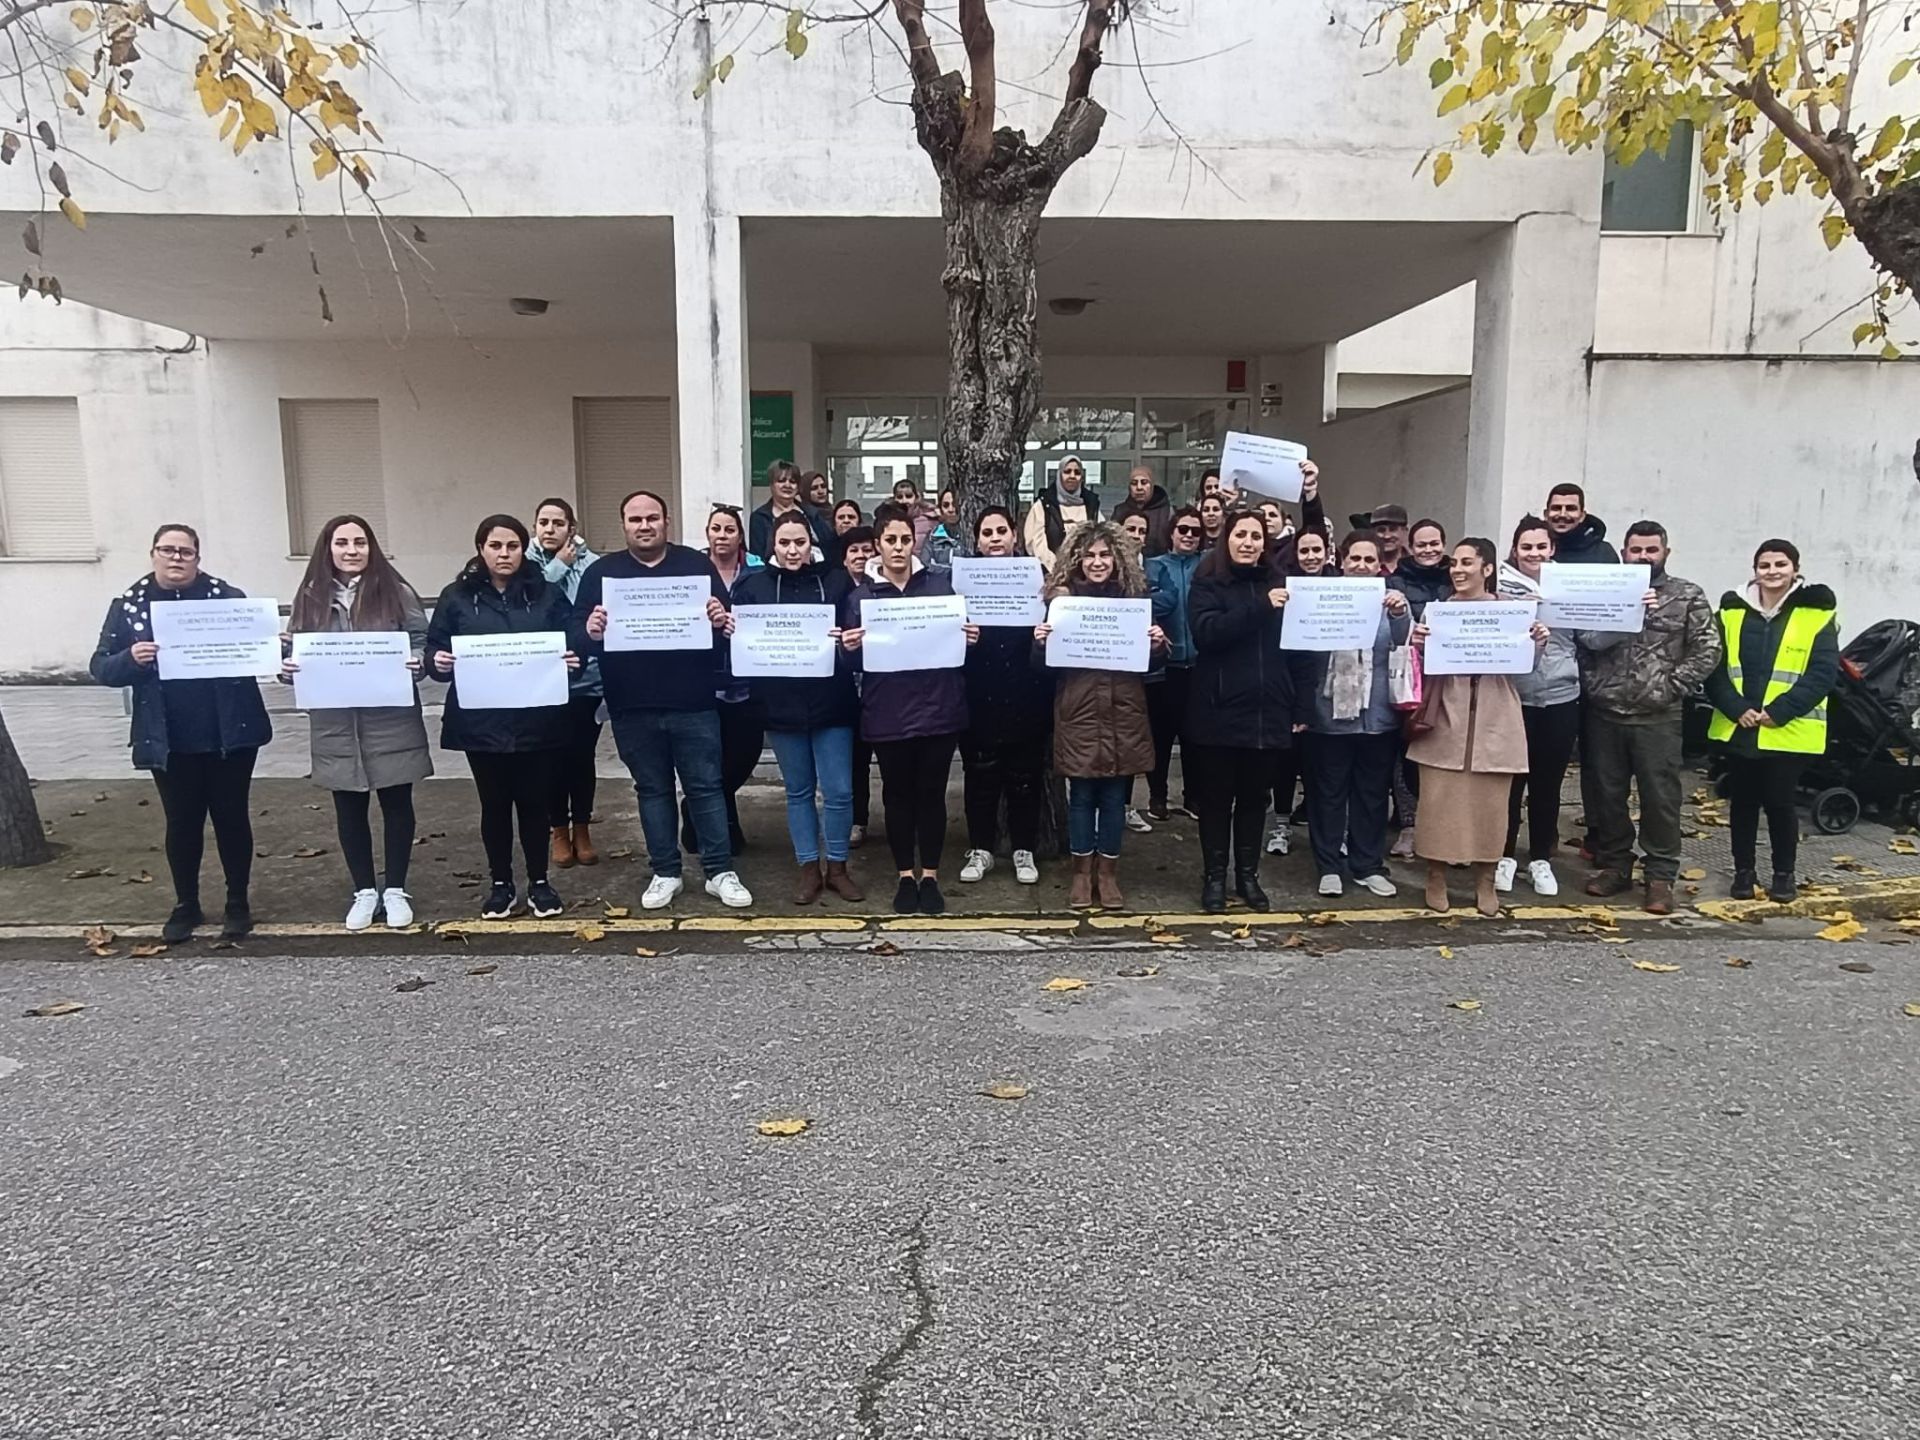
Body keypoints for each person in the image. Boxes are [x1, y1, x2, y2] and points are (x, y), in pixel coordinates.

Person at [89, 524, 272, 944]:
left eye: (185, 552)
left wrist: (273, 647)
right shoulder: (129, 607)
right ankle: (185, 904)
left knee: (231, 817)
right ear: (153, 554)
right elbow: (100, 666)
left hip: (231, 731)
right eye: (167, 550)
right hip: (169, 735)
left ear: (197, 558)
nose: (176, 558)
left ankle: (237, 903)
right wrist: (130, 659)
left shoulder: (229, 599)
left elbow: (258, 650)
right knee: (182, 822)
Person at [575, 490, 754, 912]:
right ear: (624, 524)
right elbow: (577, 635)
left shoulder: (695, 566)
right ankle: (666, 871)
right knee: (652, 789)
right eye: (635, 519)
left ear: (666, 521)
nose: (644, 525)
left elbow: (723, 625)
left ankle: (719, 871)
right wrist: (591, 629)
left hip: (692, 700)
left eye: (652, 517)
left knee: (706, 788)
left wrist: (716, 618)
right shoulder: (603, 573)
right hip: (631, 703)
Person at [282, 514, 432, 931]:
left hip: (390, 718)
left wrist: (416, 663)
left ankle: (397, 888)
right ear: (327, 549)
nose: (352, 551)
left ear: (372, 547)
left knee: (397, 804)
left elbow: (420, 640)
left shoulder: (396, 592)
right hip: (335, 722)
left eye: (360, 542)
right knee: (348, 806)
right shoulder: (310, 596)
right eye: (342, 543)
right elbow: (293, 647)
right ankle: (364, 890)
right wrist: (287, 666)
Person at [426, 515, 580, 921]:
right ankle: (500, 885)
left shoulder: (545, 593)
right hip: (482, 723)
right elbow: (435, 648)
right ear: (481, 549)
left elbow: (572, 641)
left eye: (512, 546)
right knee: (494, 805)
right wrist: (437, 662)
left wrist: (571, 661)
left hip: (537, 720)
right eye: (495, 546)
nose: (504, 554)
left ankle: (540, 883)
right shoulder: (456, 596)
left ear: (522, 548)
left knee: (534, 804)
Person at [1577, 520, 1721, 914]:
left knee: (1660, 799)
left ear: (1665, 553)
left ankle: (1659, 876)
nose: (1643, 557)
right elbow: (1585, 643)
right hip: (1606, 712)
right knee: (1606, 796)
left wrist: (1671, 686)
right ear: (1624, 552)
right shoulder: (1604, 589)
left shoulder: (1686, 595)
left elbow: (1708, 649)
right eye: (1635, 550)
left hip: (1658, 716)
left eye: (1650, 550)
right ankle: (1616, 866)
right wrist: (1594, 685)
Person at [841, 501, 978, 914]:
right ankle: (905, 876)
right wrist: (849, 649)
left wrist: (968, 639)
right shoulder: (861, 597)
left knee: (932, 794)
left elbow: (957, 649)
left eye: (905, 539)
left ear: (913, 541)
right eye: (890, 540)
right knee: (898, 795)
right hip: (888, 710)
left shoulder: (940, 588)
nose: (899, 547)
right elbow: (853, 662)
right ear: (877, 546)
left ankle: (931, 875)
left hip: (939, 707)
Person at [1409, 539, 1545, 916]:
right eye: (1454, 563)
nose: (1458, 569)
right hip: (1445, 713)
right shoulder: (1438, 613)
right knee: (1438, 801)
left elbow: (1524, 668)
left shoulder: (1510, 613)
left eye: (1468, 562)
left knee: (1492, 804)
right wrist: (1418, 644)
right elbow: (1419, 668)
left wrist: (1536, 643)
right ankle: (1435, 875)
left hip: (1495, 714)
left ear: (1487, 570)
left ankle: (1485, 879)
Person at [735, 512, 865, 905]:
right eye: (785, 543)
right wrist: (731, 632)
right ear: (772, 545)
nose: (793, 550)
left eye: (800, 542)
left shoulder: (837, 581)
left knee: (840, 792)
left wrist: (849, 643)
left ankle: (838, 867)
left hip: (833, 702)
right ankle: (809, 868)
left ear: (812, 544)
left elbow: (854, 640)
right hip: (780, 705)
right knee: (799, 791)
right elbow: (740, 645)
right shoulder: (753, 587)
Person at [1035, 521, 1165, 908]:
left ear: (1118, 558)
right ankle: (1081, 875)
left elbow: (1148, 663)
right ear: (1076, 560)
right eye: (1089, 555)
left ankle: (1107, 876)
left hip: (1123, 709)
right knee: (1081, 797)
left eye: (1104, 555)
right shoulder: (1061, 602)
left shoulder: (1133, 599)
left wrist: (1157, 645)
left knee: (1113, 799)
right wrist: (1039, 642)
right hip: (1079, 709)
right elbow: (1043, 668)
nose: (1097, 562)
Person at [1185, 509, 1307, 913]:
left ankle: (1248, 877)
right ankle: (1215, 877)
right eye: (1241, 534)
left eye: (1256, 535)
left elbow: (1297, 650)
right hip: (1219, 712)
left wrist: (1298, 700)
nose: (1249, 542)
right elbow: (1207, 634)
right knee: (1217, 800)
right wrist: (1260, 606)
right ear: (1228, 539)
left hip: (1268, 711)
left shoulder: (1280, 584)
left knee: (1256, 800)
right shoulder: (1207, 581)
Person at [1704, 539, 1838, 903]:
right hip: (1742, 726)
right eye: (1765, 565)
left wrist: (1780, 711)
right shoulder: (1730, 612)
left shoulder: (1816, 614)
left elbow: (1823, 673)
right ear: (1755, 570)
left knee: (1780, 804)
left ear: (1795, 568)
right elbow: (1714, 667)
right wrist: (1735, 707)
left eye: (1781, 564)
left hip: (1787, 730)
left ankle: (1783, 875)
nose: (1773, 572)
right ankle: (1743, 874)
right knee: (1743, 804)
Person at [1297, 530, 1413, 899]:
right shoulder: (1320, 598)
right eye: (1354, 559)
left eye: (1369, 560)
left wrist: (1400, 614)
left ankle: (1366, 864)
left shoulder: (1392, 602)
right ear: (1341, 561)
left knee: (1372, 794)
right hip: (1328, 714)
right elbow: (1302, 650)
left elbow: (1405, 646)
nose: (1361, 566)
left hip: (1376, 716)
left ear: (1379, 565)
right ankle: (1329, 865)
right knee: (1328, 793)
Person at [959, 505, 1052, 887]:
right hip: (979, 694)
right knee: (979, 778)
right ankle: (980, 849)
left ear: (1014, 536)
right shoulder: (961, 583)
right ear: (977, 541)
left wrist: (1042, 637)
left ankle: (1023, 850)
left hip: (1027, 693)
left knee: (1025, 778)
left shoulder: (1037, 579)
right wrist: (966, 640)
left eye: (1001, 531)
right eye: (987, 533)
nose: (995, 538)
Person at [1496, 516, 1581, 898]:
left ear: (1552, 549)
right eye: (1526, 547)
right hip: (1514, 696)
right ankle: (1504, 855)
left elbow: (1594, 637)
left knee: (1547, 784)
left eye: (1541, 547)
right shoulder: (1498, 587)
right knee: (1509, 783)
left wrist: (1633, 611)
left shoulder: (1570, 587)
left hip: (1561, 696)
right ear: (1515, 550)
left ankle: (1541, 857)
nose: (1534, 553)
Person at [530, 497, 604, 870]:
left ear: (571, 529)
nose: (549, 529)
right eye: (543, 522)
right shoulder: (523, 564)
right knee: (551, 760)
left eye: (558, 523)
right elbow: (530, 603)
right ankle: (557, 830)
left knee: (581, 757)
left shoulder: (593, 566)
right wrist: (559, 566)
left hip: (587, 681)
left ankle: (582, 827)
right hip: (542, 679)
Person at [692, 504, 765, 858]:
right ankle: (723, 827)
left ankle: (694, 811)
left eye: (729, 529)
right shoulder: (690, 571)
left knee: (743, 757)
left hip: (748, 683)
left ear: (740, 535)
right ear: (707, 534)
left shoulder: (759, 571)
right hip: (703, 681)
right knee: (709, 759)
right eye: (716, 529)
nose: (722, 536)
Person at [1267, 512, 1335, 854]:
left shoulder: (1342, 586)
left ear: (1327, 552)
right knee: (1285, 764)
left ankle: (1329, 834)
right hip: (1292, 688)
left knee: (1322, 769)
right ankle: (1280, 826)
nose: (1311, 557)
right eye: (1304, 551)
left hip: (1334, 691)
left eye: (1316, 550)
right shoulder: (1285, 588)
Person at [1145, 505, 1205, 821]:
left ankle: (1193, 797)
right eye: (1184, 529)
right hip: (1162, 665)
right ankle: (1157, 796)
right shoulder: (1153, 566)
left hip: (1198, 663)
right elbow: (1140, 599)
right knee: (1161, 735)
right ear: (1172, 532)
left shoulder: (1208, 565)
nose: (1190, 536)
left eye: (1196, 531)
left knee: (1194, 735)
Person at [839, 525, 877, 847]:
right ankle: (858, 820)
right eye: (854, 550)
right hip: (847, 688)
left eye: (867, 549)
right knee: (857, 761)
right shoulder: (838, 593)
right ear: (844, 558)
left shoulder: (882, 587)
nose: (861, 556)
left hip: (881, 687)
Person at [1022, 454, 1100, 569]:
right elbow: (1035, 544)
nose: (1072, 476)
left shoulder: (1091, 505)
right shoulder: (1043, 505)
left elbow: (1100, 538)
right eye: (1067, 471)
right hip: (1052, 573)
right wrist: (1058, 569)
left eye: (1077, 473)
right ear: (1059, 475)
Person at [749, 459, 833, 562]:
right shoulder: (760, 517)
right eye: (782, 480)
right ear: (771, 485)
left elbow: (828, 547)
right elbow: (758, 557)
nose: (787, 485)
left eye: (793, 481)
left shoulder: (812, 513)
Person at [1388, 519, 1452, 616]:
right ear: (1411, 548)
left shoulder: (1455, 578)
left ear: (1444, 545)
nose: (1428, 550)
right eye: (1421, 545)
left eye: (1434, 544)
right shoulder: (1394, 583)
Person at [1544, 483, 1619, 564]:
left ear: (1582, 516)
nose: (1562, 514)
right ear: (1545, 514)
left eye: (1571, 509)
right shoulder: (1534, 549)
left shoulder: (1604, 553)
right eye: (1556, 508)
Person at [1113, 466, 1173, 556]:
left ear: (1152, 485)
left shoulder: (1168, 512)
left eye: (1144, 482)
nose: (1139, 487)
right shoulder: (1120, 511)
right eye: (1134, 483)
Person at [891, 478, 939, 555]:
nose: (904, 501)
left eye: (909, 496)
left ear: (916, 497)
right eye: (900, 497)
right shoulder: (888, 520)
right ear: (894, 499)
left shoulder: (930, 520)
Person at [925, 488, 959, 571]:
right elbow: (926, 567)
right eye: (946, 505)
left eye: (955, 505)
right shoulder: (932, 536)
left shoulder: (977, 534)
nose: (951, 510)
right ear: (940, 509)